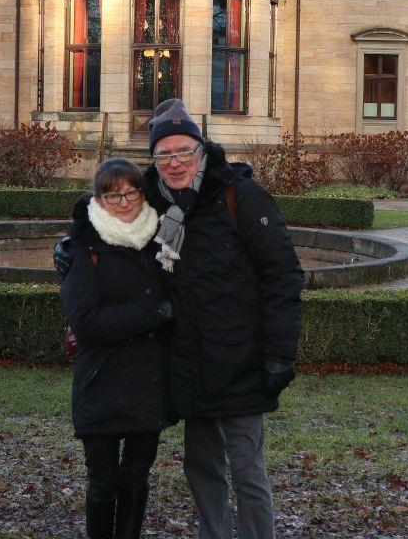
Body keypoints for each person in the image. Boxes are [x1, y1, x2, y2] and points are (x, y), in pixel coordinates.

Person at [144, 98, 304, 539]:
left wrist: (279, 355)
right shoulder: (153, 203)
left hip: (242, 360)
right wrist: (75, 250)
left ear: (200, 149)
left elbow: (283, 276)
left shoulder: (239, 194)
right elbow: (110, 227)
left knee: (248, 471)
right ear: (153, 159)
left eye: (182, 152)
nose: (174, 163)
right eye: (163, 154)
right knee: (202, 468)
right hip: (189, 362)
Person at [60, 158, 177, 539]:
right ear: (99, 198)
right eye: (113, 195)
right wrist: (153, 313)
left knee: (136, 478)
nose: (123, 201)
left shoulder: (160, 240)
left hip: (148, 381)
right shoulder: (84, 246)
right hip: (102, 382)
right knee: (104, 482)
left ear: (143, 193)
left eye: (130, 192)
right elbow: (87, 323)